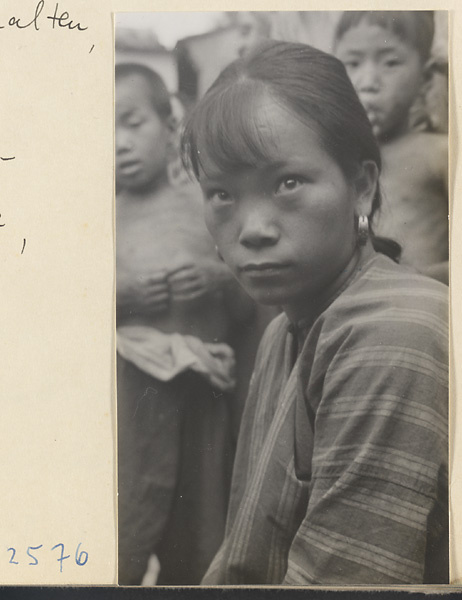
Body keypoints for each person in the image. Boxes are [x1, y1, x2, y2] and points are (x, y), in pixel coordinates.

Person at [181, 40, 448, 585]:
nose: (254, 229)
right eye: (223, 195)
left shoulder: (394, 332)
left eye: (288, 183)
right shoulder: (286, 326)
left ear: (362, 185)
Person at [116, 63, 247, 585]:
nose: (117, 143)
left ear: (170, 127)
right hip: (132, 402)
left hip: (202, 395)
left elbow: (248, 306)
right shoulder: (98, 214)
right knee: (125, 524)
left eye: (131, 122)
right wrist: (121, 295)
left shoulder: (204, 206)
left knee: (199, 538)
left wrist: (217, 279)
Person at [334, 11, 448, 284]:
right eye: (352, 63)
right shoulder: (336, 162)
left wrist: (415, 281)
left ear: (426, 77)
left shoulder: (438, 154)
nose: (368, 82)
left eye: (390, 63)